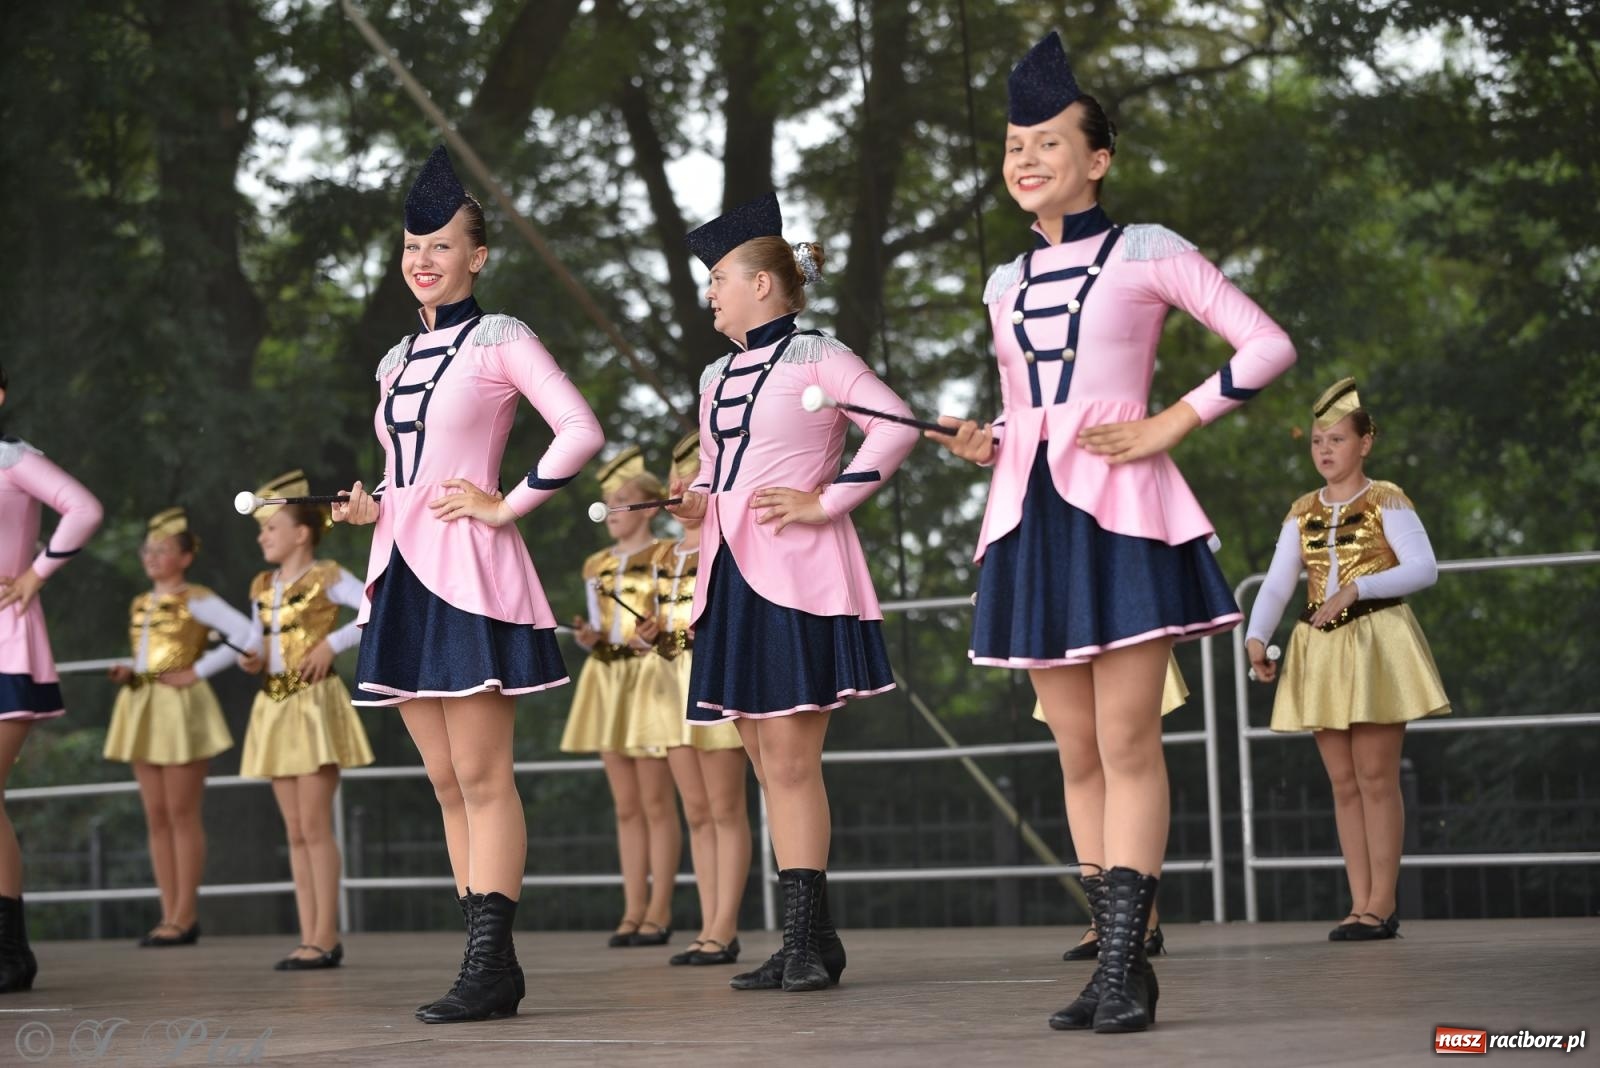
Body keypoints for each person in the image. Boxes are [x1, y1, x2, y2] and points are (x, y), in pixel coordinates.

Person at [928, 32, 1296, 1032]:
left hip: (1123, 512)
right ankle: (1107, 959)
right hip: (1027, 517)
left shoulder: (1148, 249)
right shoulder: (1000, 284)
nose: (1026, 160)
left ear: (1097, 158)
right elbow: (1031, 410)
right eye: (1013, 146)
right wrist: (984, 439)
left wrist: (1173, 421)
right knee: (1075, 748)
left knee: (1129, 739)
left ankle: (1131, 966)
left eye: (1047, 143)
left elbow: (1266, 344)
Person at [332, 145, 604, 1024]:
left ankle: (489, 962)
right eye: (414, 245)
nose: (423, 259)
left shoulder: (505, 337)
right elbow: (406, 466)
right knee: (446, 781)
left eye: (442, 246)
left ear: (477, 256)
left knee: (484, 776)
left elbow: (578, 430)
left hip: (472, 572)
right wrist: (373, 508)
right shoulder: (393, 357)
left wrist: (506, 504)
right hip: (401, 572)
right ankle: (489, 961)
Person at [669, 192, 918, 992]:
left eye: (719, 278)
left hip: (800, 573)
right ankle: (808, 937)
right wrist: (696, 497)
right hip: (730, 572)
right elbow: (717, 469)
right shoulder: (715, 374)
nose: (710, 292)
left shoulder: (820, 356)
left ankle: (807, 939)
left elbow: (898, 424)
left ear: (764, 285)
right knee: (759, 755)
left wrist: (828, 497)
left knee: (790, 759)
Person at [1246, 378, 1449, 942]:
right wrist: (1256, 637)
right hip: (1320, 648)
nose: (1325, 450)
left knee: (1376, 776)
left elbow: (1424, 568)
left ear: (1365, 443)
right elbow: (1279, 580)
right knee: (1341, 781)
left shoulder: (1386, 497)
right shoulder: (1302, 509)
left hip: (1375, 641)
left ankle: (1382, 904)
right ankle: (1358, 902)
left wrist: (1359, 590)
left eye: (1336, 439)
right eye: (1316, 441)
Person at [237, 470, 375, 970]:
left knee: (315, 826)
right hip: (273, 704)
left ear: (301, 532)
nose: (262, 535)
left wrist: (331, 643)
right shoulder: (260, 584)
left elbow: (375, 606)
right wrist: (251, 657)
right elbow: (258, 640)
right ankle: (306, 935)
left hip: (314, 704)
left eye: (271, 527)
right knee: (293, 829)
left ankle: (325, 936)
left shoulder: (329, 575)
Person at [104, 507, 255, 948]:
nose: (151, 557)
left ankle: (185, 916)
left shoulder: (198, 597)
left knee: (181, 813)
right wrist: (129, 671)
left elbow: (248, 634)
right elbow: (147, 655)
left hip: (182, 708)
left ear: (186, 557)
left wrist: (199, 670)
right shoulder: (141, 601)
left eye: (163, 549)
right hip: (143, 703)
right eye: (147, 549)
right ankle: (167, 913)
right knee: (156, 816)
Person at [0, 360, 103, 992]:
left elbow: (84, 508)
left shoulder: (12, 458)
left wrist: (37, 573)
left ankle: (12, 950)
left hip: (7, 639)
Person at [633, 433, 750, 967]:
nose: (679, 491)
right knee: (696, 811)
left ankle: (725, 928)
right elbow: (663, 628)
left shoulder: (727, 540)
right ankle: (706, 926)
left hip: (714, 677)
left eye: (691, 479)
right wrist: (651, 631)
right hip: (667, 686)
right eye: (674, 481)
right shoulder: (660, 554)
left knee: (727, 809)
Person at [559, 447, 681, 949]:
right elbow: (607, 626)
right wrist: (592, 637)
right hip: (608, 679)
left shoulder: (667, 555)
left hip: (650, 677)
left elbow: (674, 619)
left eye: (622, 500)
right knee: (626, 805)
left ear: (650, 507)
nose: (611, 510)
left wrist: (654, 635)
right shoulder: (596, 564)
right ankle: (632, 909)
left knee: (656, 802)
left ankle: (660, 909)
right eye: (607, 501)